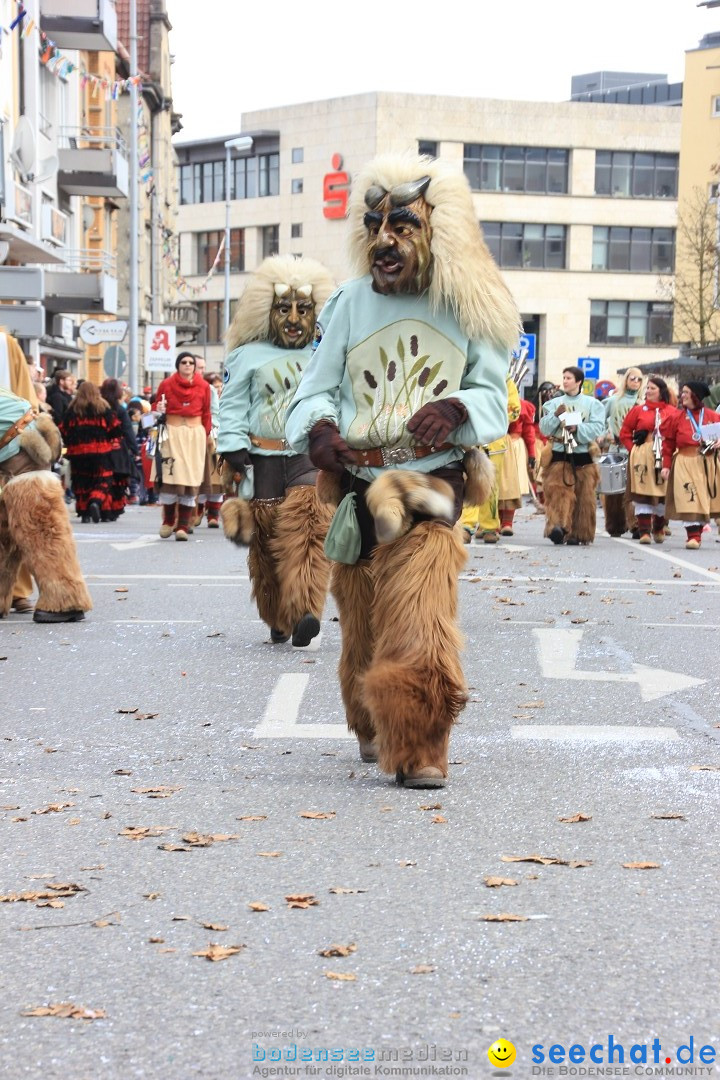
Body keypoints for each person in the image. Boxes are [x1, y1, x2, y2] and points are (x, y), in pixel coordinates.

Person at [285, 153, 519, 788]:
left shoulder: (473, 306)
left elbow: (496, 401)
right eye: (374, 226)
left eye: (404, 227)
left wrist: (457, 406)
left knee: (419, 617)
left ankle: (420, 745)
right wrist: (321, 427)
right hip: (355, 486)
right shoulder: (349, 303)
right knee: (361, 619)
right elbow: (313, 389)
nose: (384, 242)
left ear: (437, 231)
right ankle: (371, 723)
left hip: (430, 482)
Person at [218, 254, 336, 648]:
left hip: (306, 456)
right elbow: (231, 405)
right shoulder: (246, 357)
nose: (293, 319)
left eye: (303, 310)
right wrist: (233, 447)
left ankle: (304, 609)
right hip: (260, 456)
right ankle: (277, 614)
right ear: (267, 313)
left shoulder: (326, 356)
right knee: (266, 540)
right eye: (283, 309)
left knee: (309, 528)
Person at [0, 386, 92, 622]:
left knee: (42, 535)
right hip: (22, 449)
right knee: (8, 537)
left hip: (22, 460)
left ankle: (64, 600)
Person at [539, 365, 605, 545]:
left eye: (569, 378)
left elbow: (598, 427)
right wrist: (555, 416)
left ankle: (579, 532)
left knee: (584, 496)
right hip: (560, 453)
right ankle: (558, 526)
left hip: (582, 453)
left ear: (578, 381)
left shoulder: (592, 404)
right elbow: (544, 428)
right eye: (564, 377)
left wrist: (578, 428)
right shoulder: (553, 403)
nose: (565, 381)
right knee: (558, 490)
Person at [154, 352, 212, 540]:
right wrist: (158, 409)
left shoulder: (204, 386)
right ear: (178, 365)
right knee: (170, 475)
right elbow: (156, 405)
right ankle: (168, 521)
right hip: (172, 432)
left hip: (194, 435)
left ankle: (183, 526)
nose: (187, 365)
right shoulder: (166, 384)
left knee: (190, 478)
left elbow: (206, 413)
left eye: (190, 363)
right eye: (183, 362)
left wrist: (207, 434)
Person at [459, 376, 520, 543]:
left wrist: (490, 414)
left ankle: (489, 526)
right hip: (469, 440)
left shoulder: (506, 380)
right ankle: (466, 525)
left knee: (491, 486)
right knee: (468, 482)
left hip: (494, 442)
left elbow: (514, 410)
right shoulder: (468, 376)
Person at [661, 380, 720, 549]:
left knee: (704, 498)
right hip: (684, 462)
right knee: (689, 496)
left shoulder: (712, 416)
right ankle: (693, 536)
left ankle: (699, 530)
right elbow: (668, 444)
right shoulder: (676, 417)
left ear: (696, 395)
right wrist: (665, 465)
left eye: (686, 392)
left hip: (707, 462)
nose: (682, 396)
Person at [618, 375, 675, 543]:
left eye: (652, 388)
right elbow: (625, 433)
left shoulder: (672, 412)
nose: (648, 391)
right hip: (643, 455)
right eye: (647, 388)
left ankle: (658, 527)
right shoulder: (638, 410)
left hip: (664, 453)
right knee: (642, 492)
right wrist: (634, 450)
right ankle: (644, 531)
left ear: (661, 392)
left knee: (663, 492)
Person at [60, 382, 121, 523]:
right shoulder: (103, 408)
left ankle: (84, 514)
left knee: (81, 481)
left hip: (77, 453)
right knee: (103, 479)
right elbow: (115, 429)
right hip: (100, 451)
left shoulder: (72, 410)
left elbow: (63, 430)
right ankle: (95, 501)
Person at [601, 367, 643, 537]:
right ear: (626, 380)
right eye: (632, 378)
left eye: (639, 379)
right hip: (616, 447)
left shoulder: (643, 404)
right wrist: (605, 434)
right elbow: (599, 420)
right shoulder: (612, 401)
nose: (636, 382)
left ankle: (636, 524)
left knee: (635, 487)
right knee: (614, 489)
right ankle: (615, 524)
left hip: (636, 448)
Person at [101, 377, 138, 521]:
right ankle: (113, 508)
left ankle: (102, 505)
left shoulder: (99, 407)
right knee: (117, 480)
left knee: (103, 479)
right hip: (117, 448)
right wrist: (134, 449)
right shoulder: (120, 410)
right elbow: (127, 430)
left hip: (100, 446)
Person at [502, 390, 536, 534]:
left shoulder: (523, 405)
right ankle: (492, 522)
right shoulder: (493, 400)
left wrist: (532, 453)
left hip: (515, 447)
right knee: (495, 484)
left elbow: (529, 431)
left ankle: (507, 522)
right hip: (495, 443)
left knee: (512, 486)